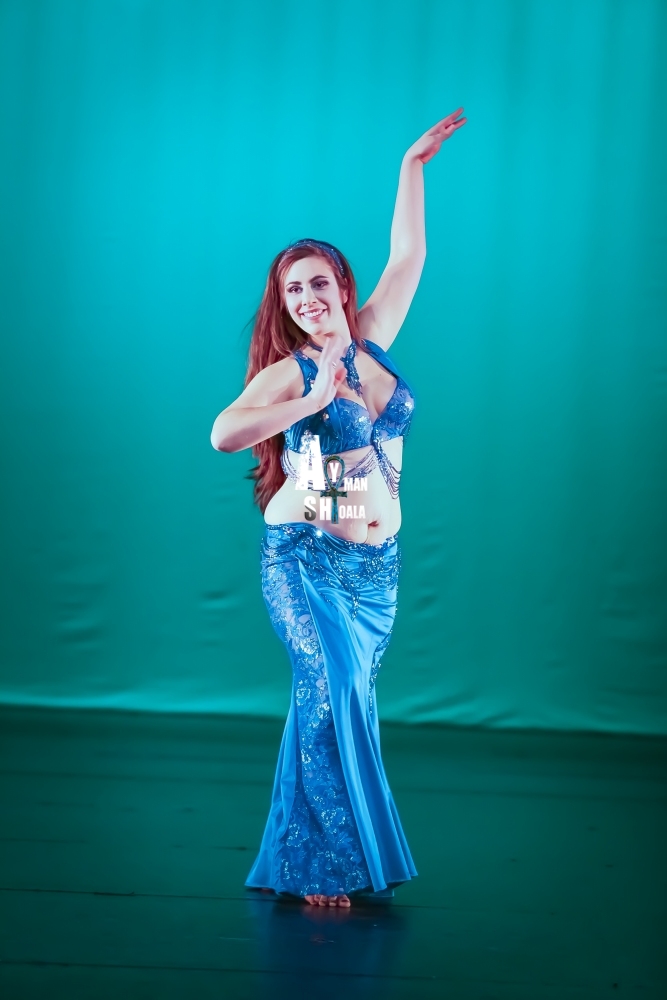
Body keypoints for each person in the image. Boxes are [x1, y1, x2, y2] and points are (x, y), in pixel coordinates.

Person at [211, 109, 467, 907]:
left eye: (318, 282)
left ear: (342, 288)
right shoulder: (291, 372)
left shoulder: (371, 339)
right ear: (284, 304)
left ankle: (298, 853)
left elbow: (409, 255)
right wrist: (310, 402)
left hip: (375, 570)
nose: (307, 298)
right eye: (293, 290)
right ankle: (323, 866)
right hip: (305, 559)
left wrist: (411, 165)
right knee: (330, 689)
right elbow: (223, 433)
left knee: (340, 700)